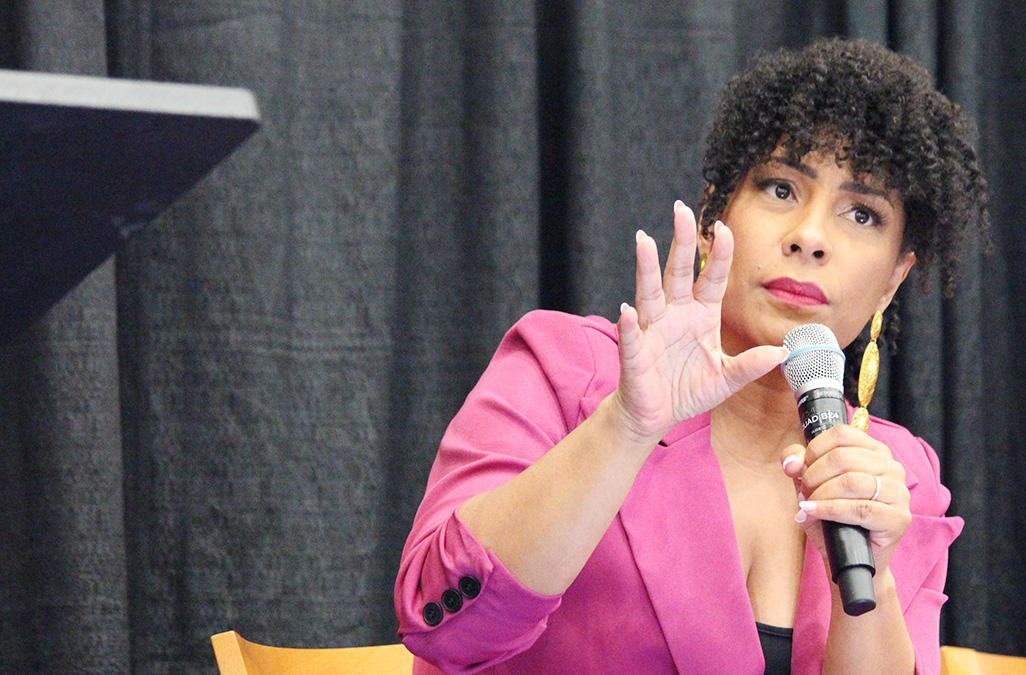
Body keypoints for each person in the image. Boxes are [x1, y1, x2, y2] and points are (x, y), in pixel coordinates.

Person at [394, 37, 988, 675]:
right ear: (712, 221)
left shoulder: (899, 478)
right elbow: (443, 626)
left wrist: (875, 579)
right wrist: (625, 428)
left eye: (863, 214)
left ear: (895, 278)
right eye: (781, 188)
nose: (810, 237)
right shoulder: (564, 372)